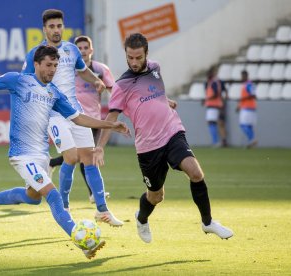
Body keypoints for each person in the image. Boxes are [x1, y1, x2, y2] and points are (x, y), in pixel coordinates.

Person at [0, 45, 129, 258]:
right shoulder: (19, 80)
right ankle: (81, 239)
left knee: (33, 197)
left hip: (41, 155)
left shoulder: (54, 93)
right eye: (48, 65)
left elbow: (78, 118)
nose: (52, 69)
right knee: (53, 196)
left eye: (55, 65)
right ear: (36, 64)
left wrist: (110, 125)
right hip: (21, 155)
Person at [94, 33, 234, 244]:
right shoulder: (121, 85)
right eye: (129, 57)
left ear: (146, 54)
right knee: (156, 196)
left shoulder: (155, 68)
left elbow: (152, 93)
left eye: (138, 57)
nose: (133, 62)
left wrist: (164, 101)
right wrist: (100, 147)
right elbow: (111, 117)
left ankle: (208, 222)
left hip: (172, 132)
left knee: (195, 172)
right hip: (148, 147)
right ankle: (141, 218)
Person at [22, 9, 123, 226]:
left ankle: (102, 210)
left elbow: (83, 70)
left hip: (76, 112)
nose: (56, 30)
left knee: (90, 158)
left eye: (59, 26)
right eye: (51, 26)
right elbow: (24, 83)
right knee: (71, 157)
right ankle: (65, 207)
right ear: (44, 29)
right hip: (52, 115)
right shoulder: (35, 54)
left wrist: (96, 80)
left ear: (63, 27)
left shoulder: (71, 50)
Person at [49, 35, 115, 204]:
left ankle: (52, 163)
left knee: (80, 156)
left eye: (86, 48)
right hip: (73, 118)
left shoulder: (100, 70)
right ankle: (93, 195)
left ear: (91, 50)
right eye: (80, 49)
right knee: (85, 156)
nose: (83, 51)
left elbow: (114, 90)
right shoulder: (67, 69)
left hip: (93, 119)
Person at [204, 66, 228, 147]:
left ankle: (216, 141)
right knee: (219, 123)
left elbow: (215, 93)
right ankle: (221, 141)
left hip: (213, 105)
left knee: (212, 122)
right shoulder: (216, 82)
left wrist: (208, 98)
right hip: (218, 105)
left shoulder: (213, 82)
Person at [237, 70, 257, 148]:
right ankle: (251, 141)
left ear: (246, 76)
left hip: (248, 107)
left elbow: (253, 95)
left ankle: (252, 139)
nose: (241, 77)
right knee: (248, 126)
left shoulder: (249, 84)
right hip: (247, 107)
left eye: (242, 76)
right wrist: (239, 105)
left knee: (243, 124)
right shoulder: (245, 84)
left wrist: (243, 99)